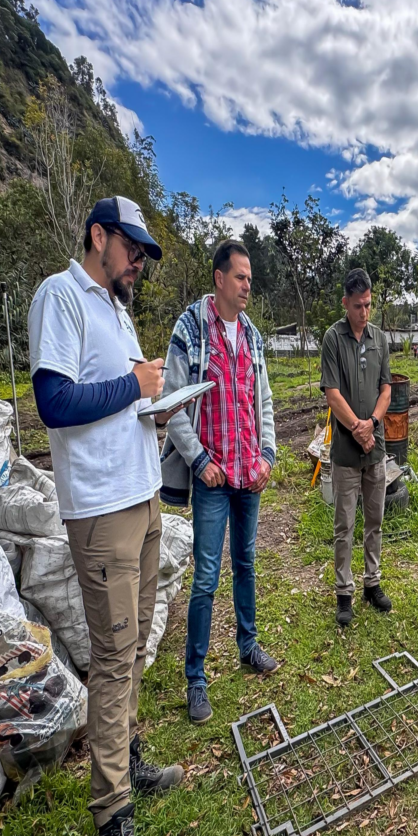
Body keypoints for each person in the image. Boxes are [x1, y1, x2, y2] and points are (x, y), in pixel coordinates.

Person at [28, 196, 184, 836]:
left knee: (133, 645)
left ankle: (128, 755)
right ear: (99, 236)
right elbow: (54, 403)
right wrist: (134, 386)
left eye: (143, 256)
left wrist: (155, 405)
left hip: (142, 497)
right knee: (114, 655)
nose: (138, 264)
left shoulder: (117, 311)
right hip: (101, 511)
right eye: (132, 250)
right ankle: (111, 832)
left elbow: (120, 403)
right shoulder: (60, 297)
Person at [161, 240, 278, 724]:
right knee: (206, 577)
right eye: (241, 277)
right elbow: (171, 405)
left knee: (245, 563)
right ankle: (196, 679)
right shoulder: (191, 329)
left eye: (250, 278)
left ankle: (248, 646)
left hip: (249, 474)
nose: (248, 285)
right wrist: (199, 460)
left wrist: (267, 454)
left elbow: (264, 400)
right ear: (219, 278)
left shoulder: (251, 335)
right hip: (213, 476)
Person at [319, 268, 392, 627]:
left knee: (374, 520)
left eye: (368, 305)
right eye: (358, 305)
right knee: (344, 524)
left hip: (375, 449)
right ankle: (343, 592)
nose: (364, 312)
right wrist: (358, 430)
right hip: (347, 453)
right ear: (345, 303)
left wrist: (373, 424)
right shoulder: (333, 339)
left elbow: (386, 389)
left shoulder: (379, 338)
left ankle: (372, 583)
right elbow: (333, 394)